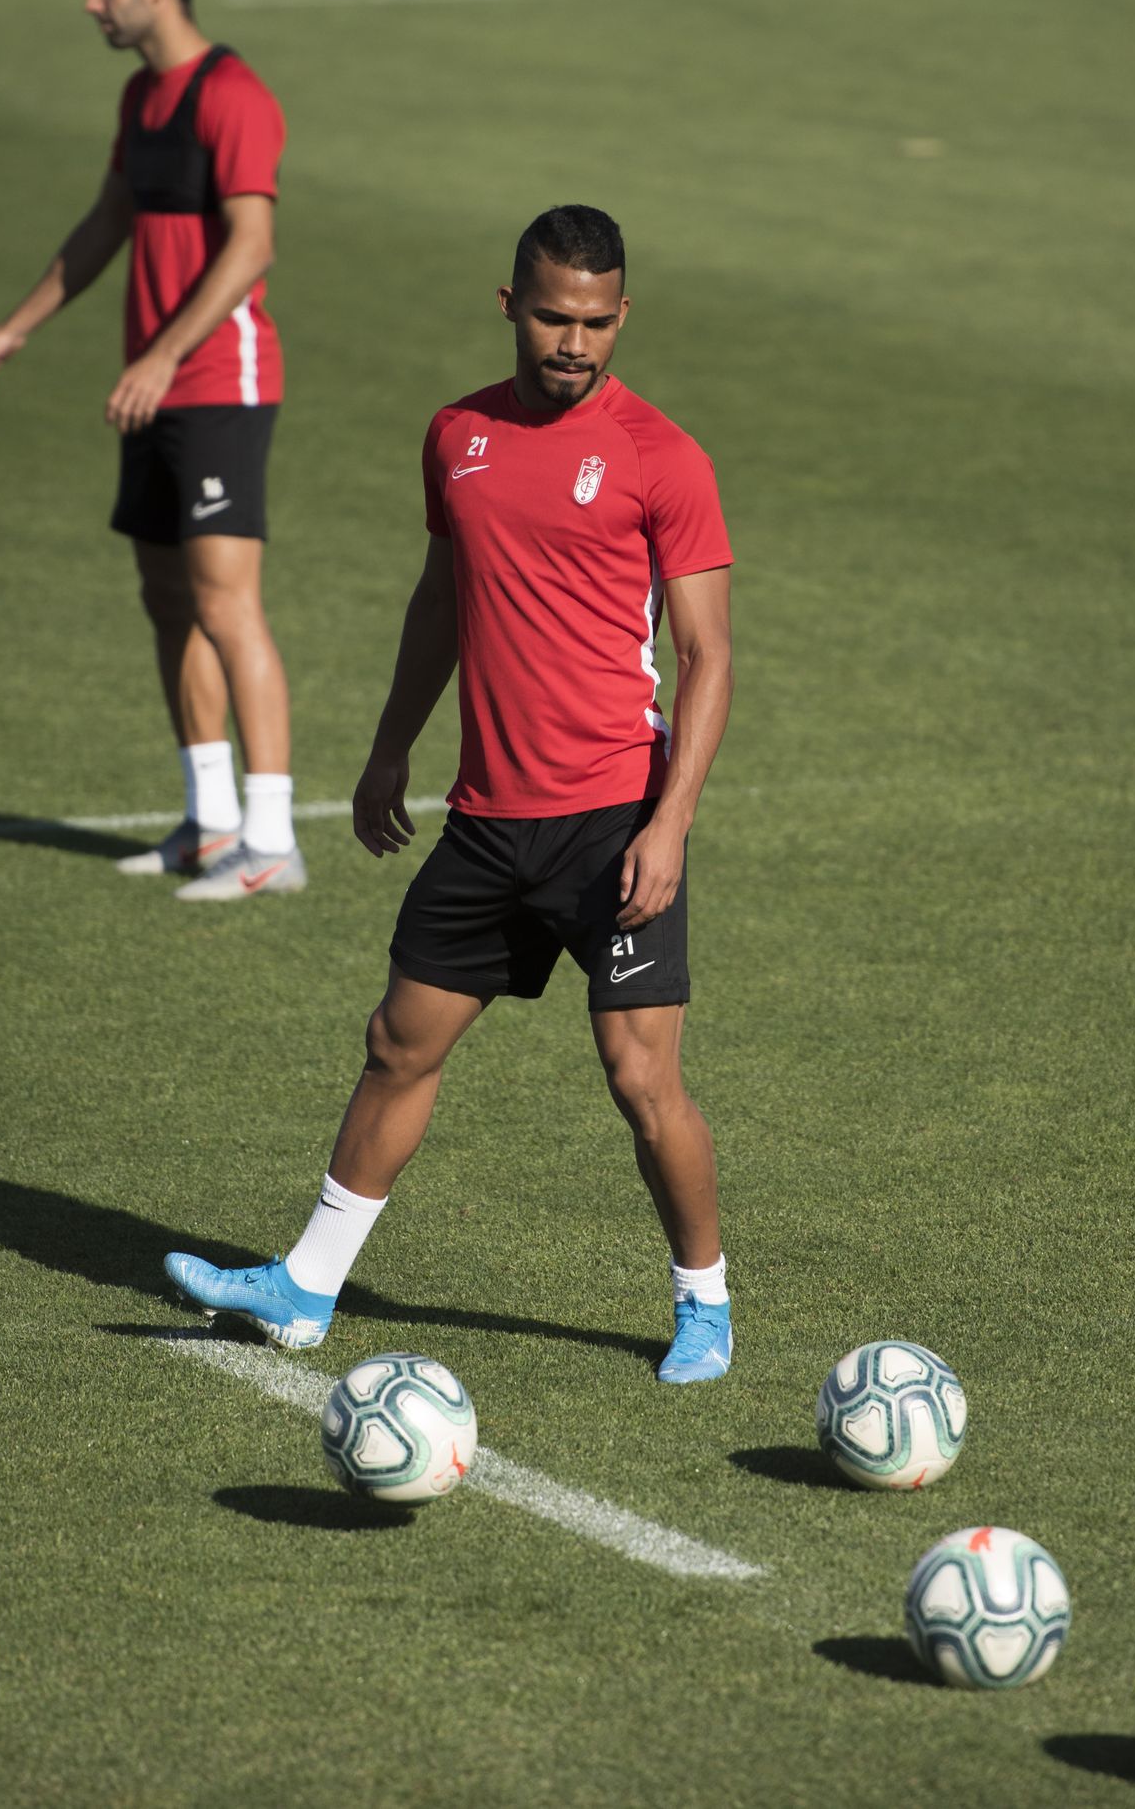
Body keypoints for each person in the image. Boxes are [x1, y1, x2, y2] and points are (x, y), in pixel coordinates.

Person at [167, 204, 737, 1381]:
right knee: (397, 1044)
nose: (571, 344)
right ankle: (305, 1285)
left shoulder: (661, 457)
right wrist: (389, 749)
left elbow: (708, 656)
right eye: (549, 317)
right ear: (509, 305)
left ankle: (703, 1302)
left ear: (621, 317)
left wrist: (670, 823)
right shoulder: (458, 436)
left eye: (594, 323)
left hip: (610, 823)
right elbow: (442, 597)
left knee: (640, 1077)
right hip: (486, 820)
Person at [0, 0, 302, 900]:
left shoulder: (233, 96)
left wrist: (162, 355)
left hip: (219, 384)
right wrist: (17, 327)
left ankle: (272, 838)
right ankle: (210, 819)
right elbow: (109, 220)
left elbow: (251, 245)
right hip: (153, 387)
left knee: (229, 605)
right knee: (166, 601)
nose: (89, 0)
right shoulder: (142, 99)